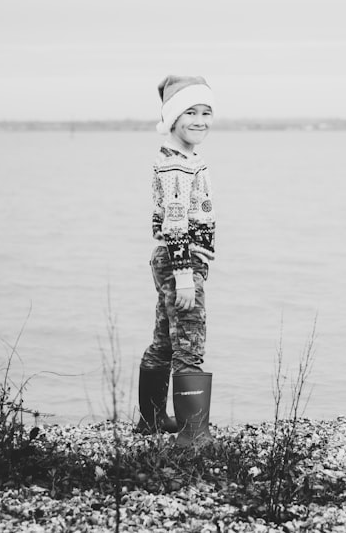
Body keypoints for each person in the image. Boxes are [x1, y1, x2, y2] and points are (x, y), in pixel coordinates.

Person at [137, 75, 217, 446]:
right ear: (172, 117)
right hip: (177, 261)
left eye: (206, 111)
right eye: (190, 112)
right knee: (189, 344)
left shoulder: (186, 158)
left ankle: (152, 422)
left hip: (176, 260)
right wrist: (185, 274)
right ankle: (193, 436)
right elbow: (173, 219)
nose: (200, 120)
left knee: (166, 342)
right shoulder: (174, 165)